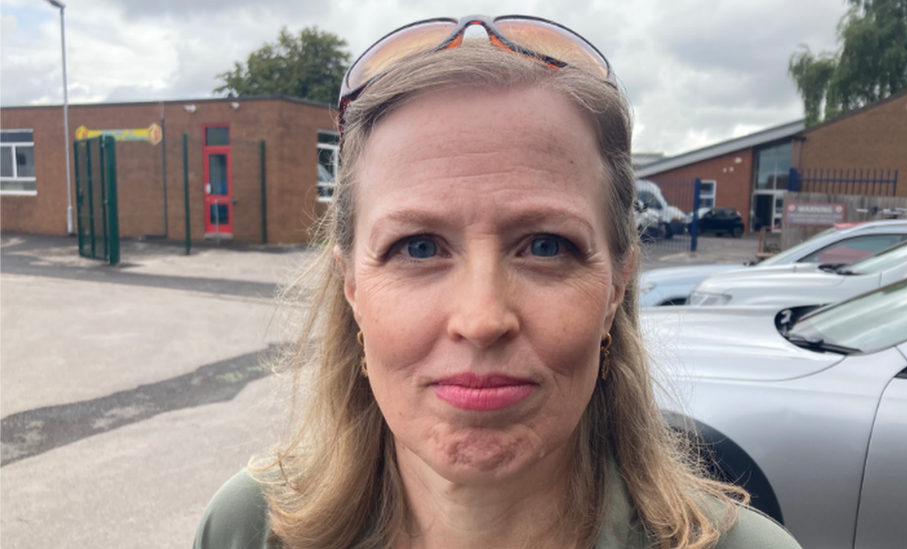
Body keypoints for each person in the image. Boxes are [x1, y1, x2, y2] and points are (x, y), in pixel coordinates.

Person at [194, 15, 801, 549]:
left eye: (545, 246)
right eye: (420, 247)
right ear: (351, 284)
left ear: (617, 284)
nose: (482, 319)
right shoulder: (248, 529)